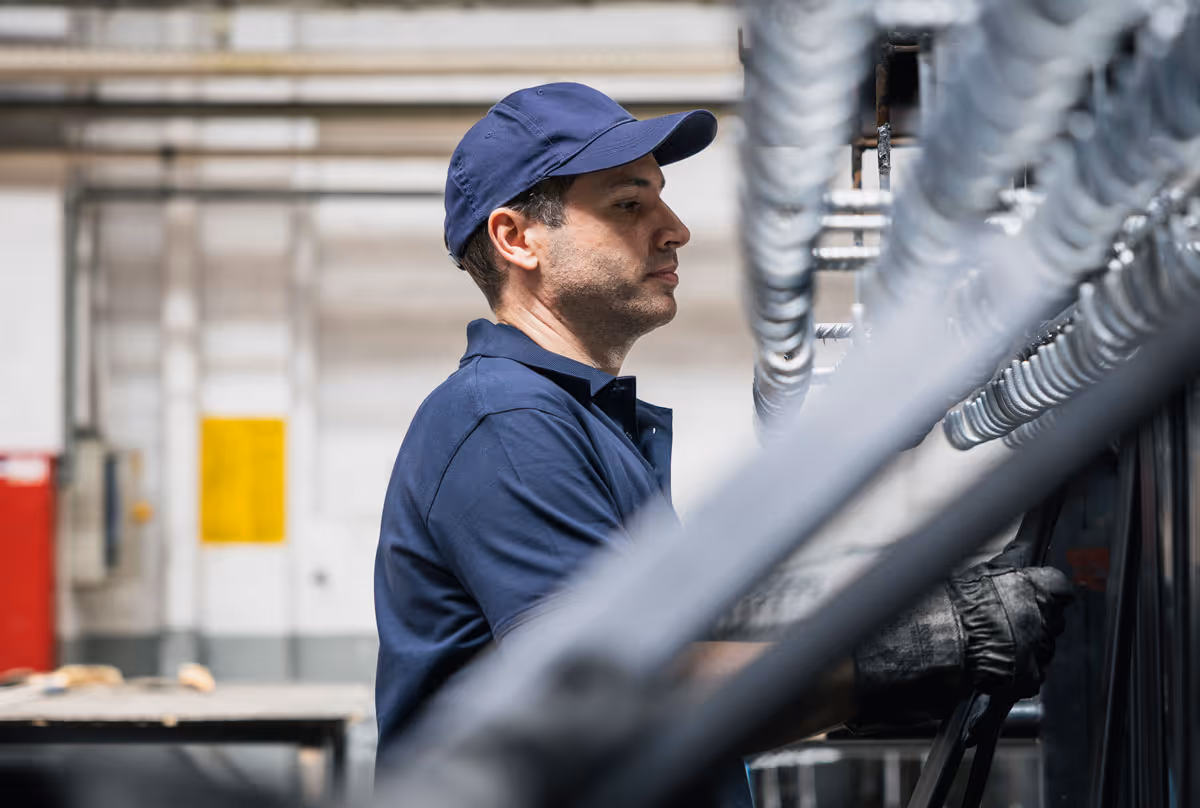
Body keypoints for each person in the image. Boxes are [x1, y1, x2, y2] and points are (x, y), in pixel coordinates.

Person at [373, 82, 1074, 807]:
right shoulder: (506, 422)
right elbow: (608, 711)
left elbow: (676, 643)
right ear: (517, 239)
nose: (674, 229)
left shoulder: (576, 419)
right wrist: (912, 651)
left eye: (661, 199)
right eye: (628, 205)